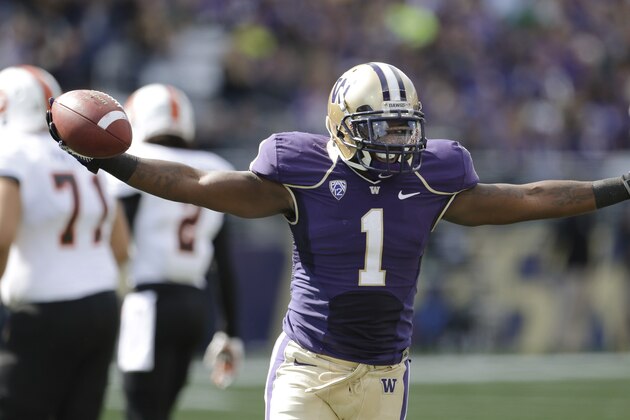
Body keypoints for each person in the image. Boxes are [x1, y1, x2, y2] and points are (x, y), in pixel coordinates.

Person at [47, 62, 630, 420]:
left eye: (404, 127)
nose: (397, 142)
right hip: (307, 366)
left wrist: (620, 186)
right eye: (381, 128)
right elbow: (196, 182)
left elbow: (530, 197)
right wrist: (114, 163)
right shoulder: (302, 173)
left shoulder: (433, 176)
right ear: (340, 126)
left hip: (384, 374)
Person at [0, 65, 130, 419]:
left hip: (43, 307)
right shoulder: (87, 153)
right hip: (102, 305)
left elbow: (2, 235)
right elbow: (121, 246)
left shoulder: (11, 150)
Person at [112, 83, 243, 420]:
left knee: (140, 410)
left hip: (148, 302)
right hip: (193, 305)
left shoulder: (135, 163)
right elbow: (223, 262)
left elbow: (119, 240)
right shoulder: (213, 166)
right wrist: (230, 330)